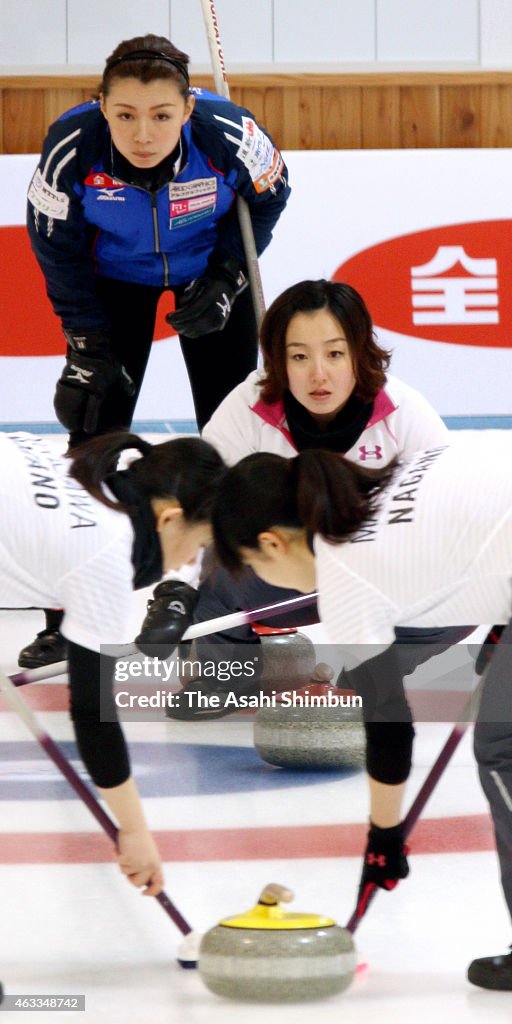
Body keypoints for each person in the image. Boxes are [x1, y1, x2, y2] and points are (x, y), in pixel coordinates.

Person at [22, 31, 290, 669]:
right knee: (92, 434)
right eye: (124, 115)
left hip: (206, 274)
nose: (143, 133)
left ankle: (223, 602)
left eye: (162, 115)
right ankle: (67, 616)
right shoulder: (70, 147)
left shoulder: (228, 132)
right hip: (112, 284)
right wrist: (85, 338)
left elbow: (272, 194)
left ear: (188, 109)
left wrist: (228, 276)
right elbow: (53, 244)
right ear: (101, 105)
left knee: (231, 431)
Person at [210, 436, 512, 966]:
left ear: (273, 544)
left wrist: (384, 838)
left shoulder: (346, 571)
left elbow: (390, 726)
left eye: (253, 567)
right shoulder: (392, 475)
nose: (262, 581)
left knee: (504, 750)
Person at [170, 280, 467, 720]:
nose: (318, 375)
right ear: (278, 360)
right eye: (299, 357)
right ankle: (227, 672)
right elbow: (197, 512)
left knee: (459, 596)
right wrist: (175, 593)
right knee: (220, 560)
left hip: (377, 574)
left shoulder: (406, 414)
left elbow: (449, 521)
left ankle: (367, 678)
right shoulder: (247, 408)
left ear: (359, 352)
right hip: (279, 572)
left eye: (334, 353)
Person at [0, 429, 225, 894]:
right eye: (198, 545)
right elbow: (92, 716)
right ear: (169, 518)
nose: (189, 561)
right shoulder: (106, 553)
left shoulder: (81, 466)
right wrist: (136, 832)